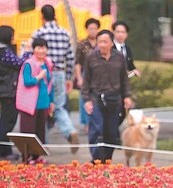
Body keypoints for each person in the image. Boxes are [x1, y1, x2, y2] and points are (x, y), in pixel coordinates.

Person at [32, 5, 79, 153]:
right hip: (59, 73)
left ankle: (42, 142)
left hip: (42, 74)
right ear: (55, 15)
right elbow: (70, 57)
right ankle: (69, 131)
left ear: (42, 16)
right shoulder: (64, 33)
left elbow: (30, 55)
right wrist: (70, 77)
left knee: (41, 107)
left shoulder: (39, 33)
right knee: (58, 106)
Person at [82, 29, 132, 163]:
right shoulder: (91, 57)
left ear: (111, 43)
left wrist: (127, 96)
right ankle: (96, 159)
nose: (102, 45)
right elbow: (86, 80)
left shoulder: (119, 57)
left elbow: (124, 79)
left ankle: (107, 158)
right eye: (100, 42)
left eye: (105, 42)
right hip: (96, 97)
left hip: (114, 98)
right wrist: (86, 99)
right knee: (96, 129)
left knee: (112, 131)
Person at [0, 25, 32, 161]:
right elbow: (21, 63)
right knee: (7, 122)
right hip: (8, 92)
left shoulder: (0, 50)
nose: (14, 38)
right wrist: (27, 52)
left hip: (4, 90)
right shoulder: (4, 52)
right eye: (12, 35)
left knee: (6, 120)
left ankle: (5, 149)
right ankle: (5, 151)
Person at [15, 38, 54, 164]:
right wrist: (38, 77)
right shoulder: (29, 63)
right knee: (28, 130)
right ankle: (26, 157)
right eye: (38, 48)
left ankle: (37, 157)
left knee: (40, 131)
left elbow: (50, 84)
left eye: (43, 48)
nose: (41, 51)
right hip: (30, 103)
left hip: (43, 102)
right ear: (34, 49)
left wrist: (51, 101)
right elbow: (27, 81)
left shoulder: (47, 63)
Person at [75, 18, 100, 131]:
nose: (93, 31)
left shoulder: (102, 43)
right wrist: (79, 77)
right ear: (87, 29)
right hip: (86, 74)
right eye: (90, 28)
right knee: (84, 98)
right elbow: (77, 62)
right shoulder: (82, 44)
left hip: (99, 74)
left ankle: (95, 121)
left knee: (97, 98)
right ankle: (86, 123)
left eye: (95, 28)